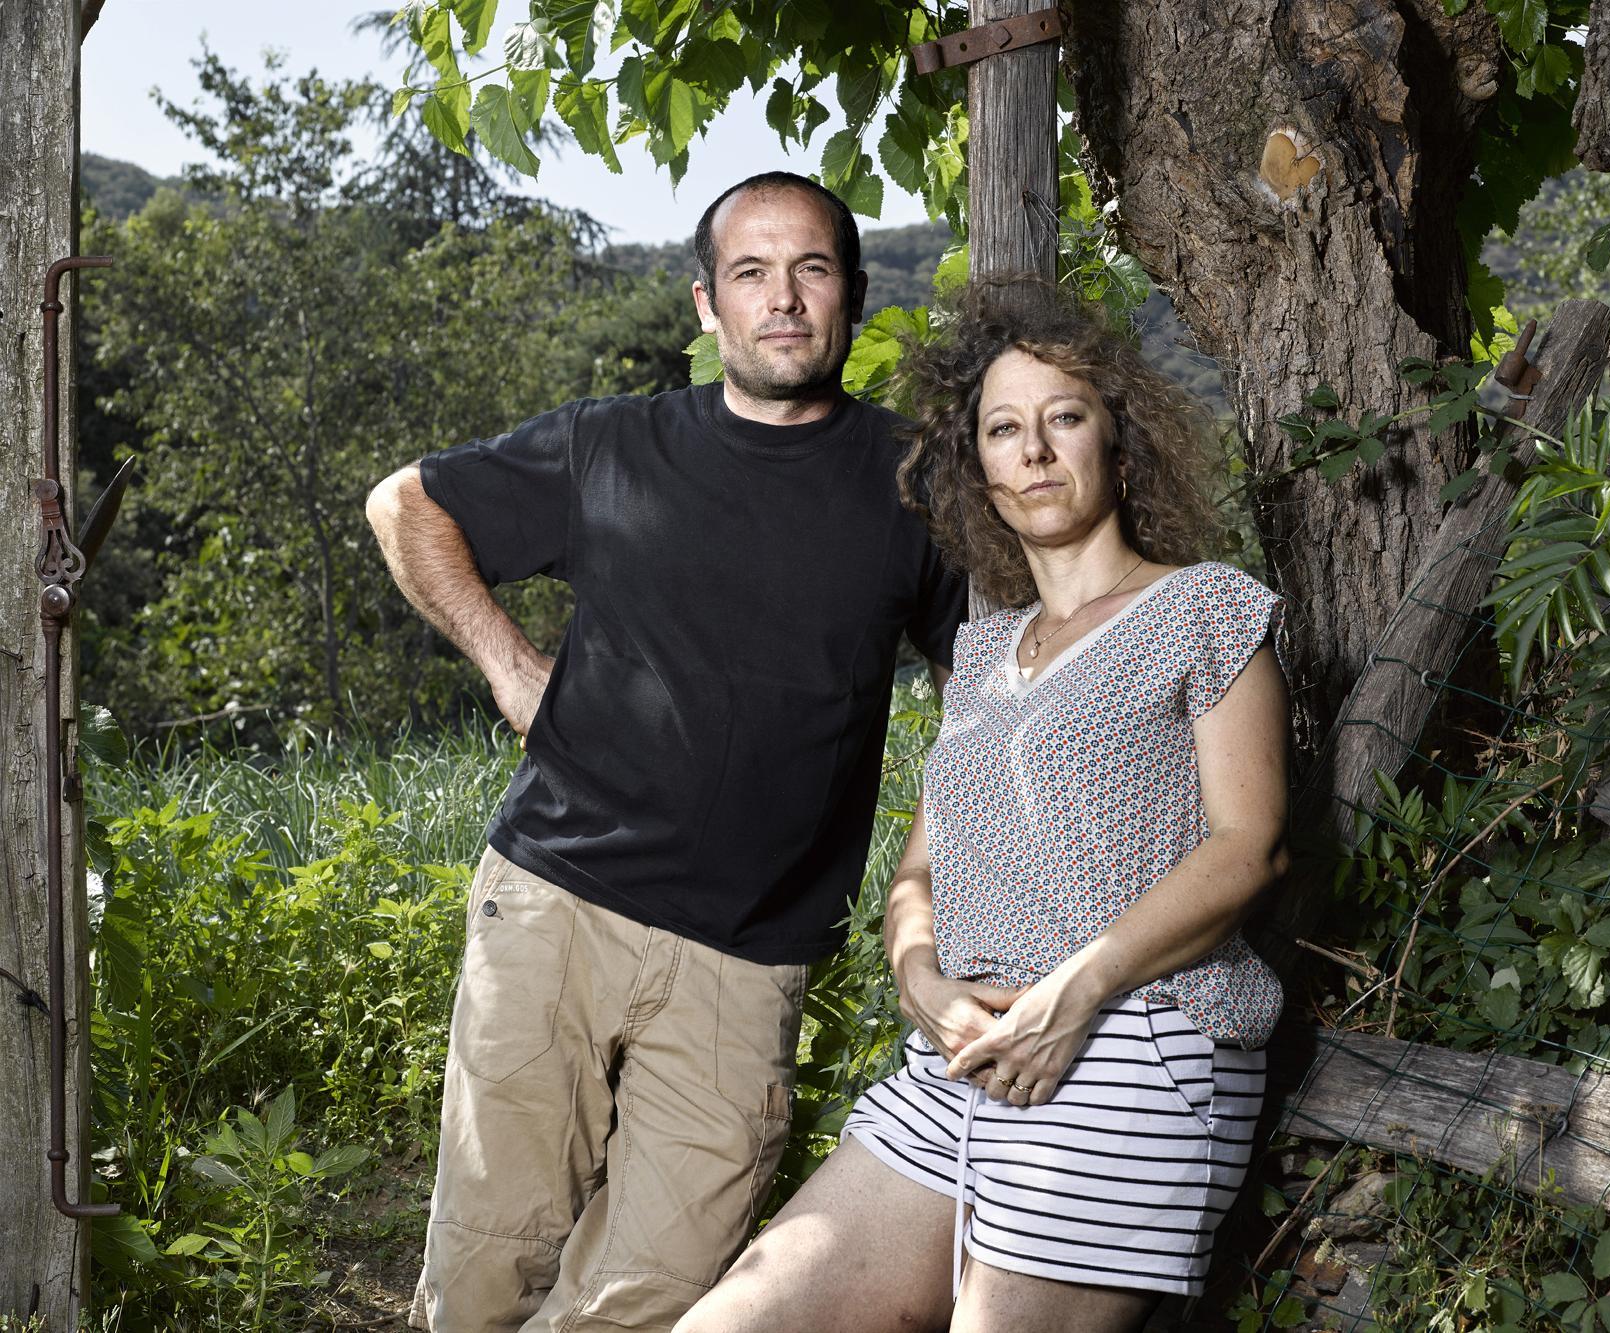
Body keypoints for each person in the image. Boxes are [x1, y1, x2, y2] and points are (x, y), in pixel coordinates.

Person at [364, 172, 967, 1333]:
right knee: (485, 1269)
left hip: (749, 958)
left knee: (650, 1296)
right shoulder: (612, 446)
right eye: (752, 273)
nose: (782, 299)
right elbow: (408, 506)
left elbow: (983, 697)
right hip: (556, 903)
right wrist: (509, 665)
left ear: (849, 291)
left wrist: (931, 884)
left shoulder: (917, 483)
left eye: (811, 269)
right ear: (708, 305)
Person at [674, 286, 1292, 1333]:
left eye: (1064, 418)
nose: (1036, 451)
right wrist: (919, 978)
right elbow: (920, 871)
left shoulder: (1203, 607)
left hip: (1128, 1047)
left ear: (1119, 442)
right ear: (981, 470)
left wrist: (1076, 988)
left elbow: (1252, 845)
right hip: (953, 1066)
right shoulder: (982, 651)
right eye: (1004, 429)